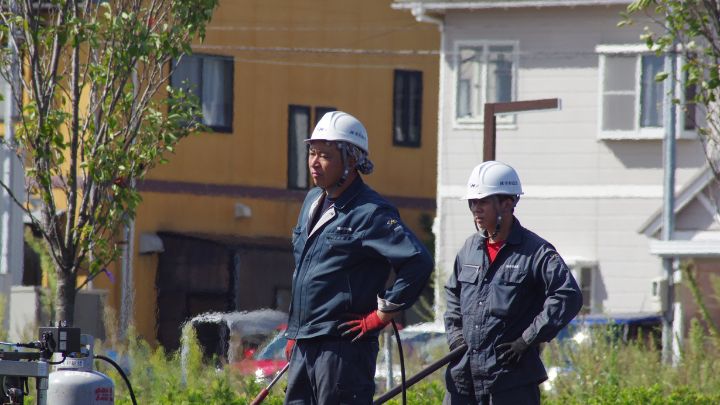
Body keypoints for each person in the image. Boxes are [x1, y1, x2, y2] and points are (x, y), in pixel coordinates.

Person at [283, 110, 434, 404]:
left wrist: (381, 315)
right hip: (304, 344)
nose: (314, 162)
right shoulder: (312, 200)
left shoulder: (372, 212)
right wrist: (295, 332)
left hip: (343, 350)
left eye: (325, 155)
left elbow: (418, 262)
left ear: (352, 160)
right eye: (312, 152)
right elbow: (303, 270)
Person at [444, 161, 582, 405]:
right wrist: (456, 337)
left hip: (510, 385)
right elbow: (453, 295)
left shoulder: (536, 252)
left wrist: (527, 339)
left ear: (507, 203)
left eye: (483, 201)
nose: (476, 209)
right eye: (472, 202)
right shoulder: (469, 249)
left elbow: (568, 295)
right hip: (463, 382)